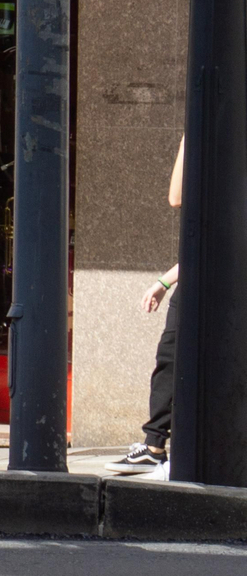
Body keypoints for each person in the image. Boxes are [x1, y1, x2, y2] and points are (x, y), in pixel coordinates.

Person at [107, 138, 184, 477]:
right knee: (170, 358)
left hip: (223, 282)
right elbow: (178, 199)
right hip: (201, 278)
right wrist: (166, 282)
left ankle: (156, 446)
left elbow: (177, 198)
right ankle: (154, 446)